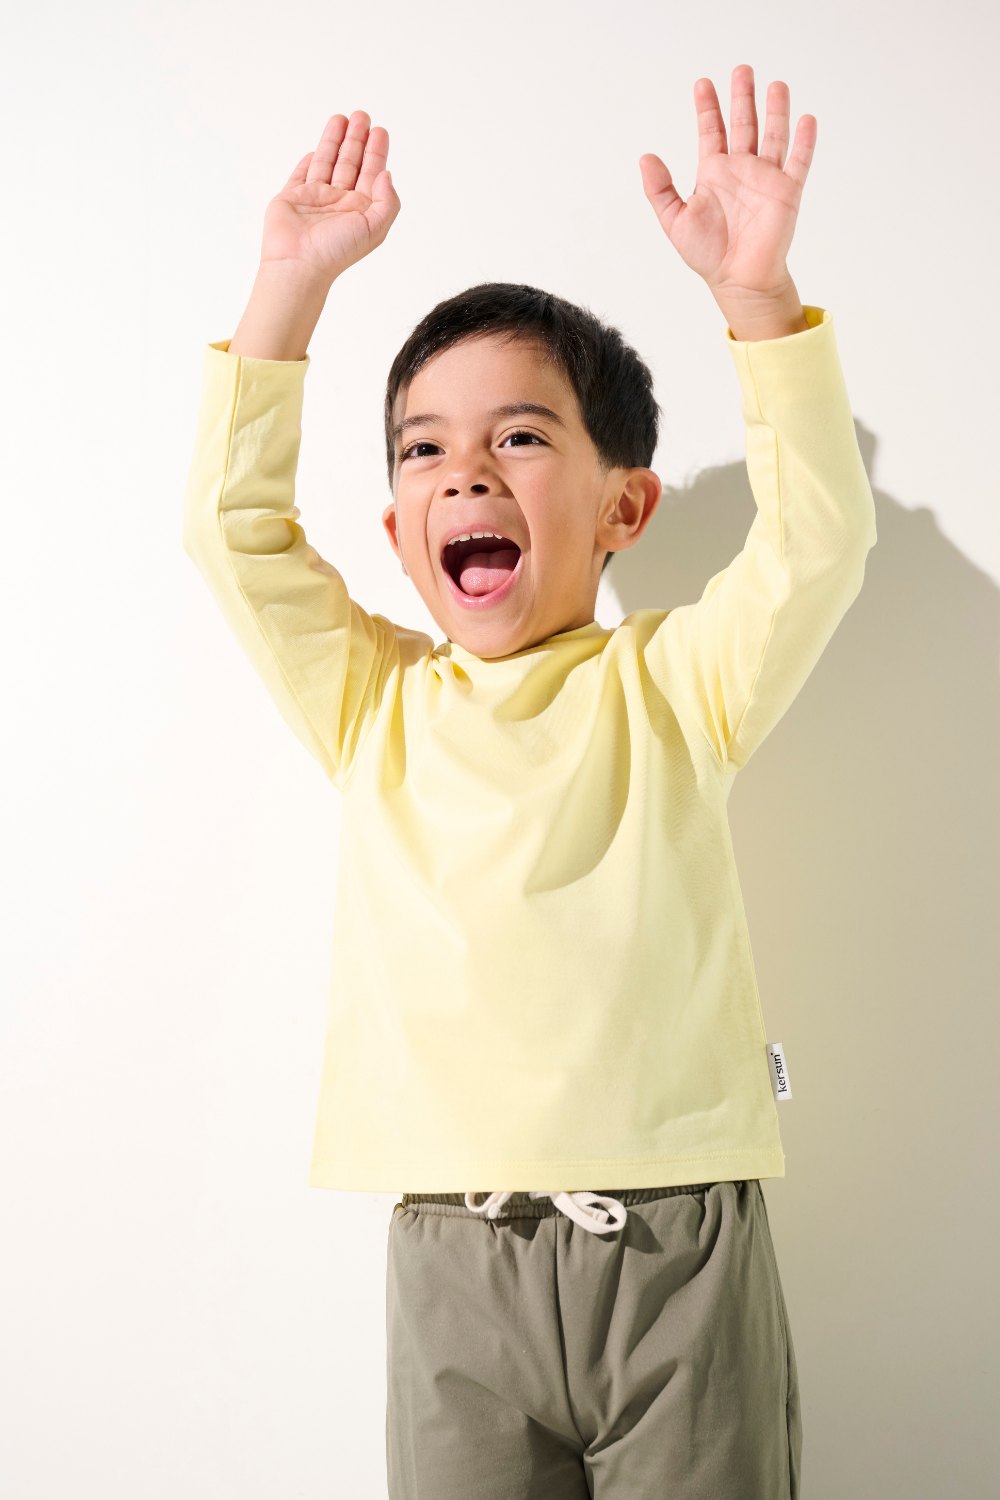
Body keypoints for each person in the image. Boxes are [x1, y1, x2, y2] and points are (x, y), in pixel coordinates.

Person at [182, 63, 876, 1500]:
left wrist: (758, 297)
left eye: (519, 438)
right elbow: (231, 534)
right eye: (426, 451)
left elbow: (817, 542)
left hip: (676, 1248)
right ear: (395, 525)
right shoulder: (375, 704)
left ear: (626, 503)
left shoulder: (674, 689)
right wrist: (288, 293)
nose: (466, 475)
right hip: (455, 1253)